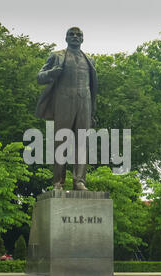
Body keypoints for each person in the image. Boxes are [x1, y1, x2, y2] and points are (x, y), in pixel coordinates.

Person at [35, 27, 98, 191]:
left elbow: (93, 87)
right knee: (61, 142)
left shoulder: (89, 60)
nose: (75, 37)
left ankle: (79, 181)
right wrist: (51, 73)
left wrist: (93, 111)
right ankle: (58, 182)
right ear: (66, 38)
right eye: (72, 34)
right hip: (63, 102)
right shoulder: (57, 56)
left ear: (83, 39)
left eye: (79, 35)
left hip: (85, 102)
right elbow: (39, 77)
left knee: (82, 143)